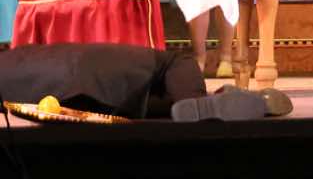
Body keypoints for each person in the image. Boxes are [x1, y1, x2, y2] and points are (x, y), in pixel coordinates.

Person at [0, 42, 290, 121]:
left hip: (65, 102)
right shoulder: (15, 55)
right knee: (175, 61)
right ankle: (202, 101)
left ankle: (199, 103)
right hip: (88, 64)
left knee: (138, 103)